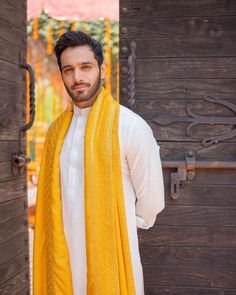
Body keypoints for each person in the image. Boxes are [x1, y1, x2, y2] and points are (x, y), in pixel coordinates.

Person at [33, 30, 165, 295]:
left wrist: (117, 226)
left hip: (113, 258)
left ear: (102, 70)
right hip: (62, 258)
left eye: (86, 67)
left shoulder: (130, 127)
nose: (77, 77)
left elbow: (151, 201)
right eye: (68, 69)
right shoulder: (55, 132)